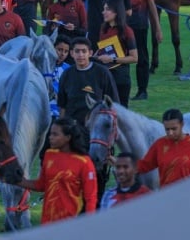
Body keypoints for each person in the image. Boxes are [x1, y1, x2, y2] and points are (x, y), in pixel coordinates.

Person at [15, 117, 98, 225]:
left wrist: (89, 224)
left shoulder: (84, 162)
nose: (50, 137)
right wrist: (15, 180)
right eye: (50, 134)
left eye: (55, 134)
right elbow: (41, 185)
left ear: (68, 137)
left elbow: (91, 198)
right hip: (47, 224)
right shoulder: (49, 155)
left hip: (70, 224)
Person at [120, 0, 163, 100]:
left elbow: (151, 5)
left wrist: (157, 28)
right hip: (125, 24)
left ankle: (142, 90)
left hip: (140, 24)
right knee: (122, 56)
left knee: (142, 58)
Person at [137, 108, 190, 188]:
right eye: (167, 129)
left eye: (174, 129)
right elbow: (144, 165)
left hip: (189, 194)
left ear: (182, 124)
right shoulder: (159, 144)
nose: (170, 133)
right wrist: (125, 168)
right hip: (167, 195)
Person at [58, 37, 120, 127]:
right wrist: (62, 127)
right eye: (77, 51)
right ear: (71, 53)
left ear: (90, 53)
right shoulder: (67, 74)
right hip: (72, 126)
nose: (80, 55)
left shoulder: (102, 73)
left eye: (84, 51)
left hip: (95, 126)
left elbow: (113, 103)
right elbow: (62, 105)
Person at [94, 0, 138, 107]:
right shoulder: (103, 28)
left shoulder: (127, 31)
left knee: (121, 111)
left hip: (121, 77)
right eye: (103, 9)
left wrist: (112, 59)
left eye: (107, 9)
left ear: (116, 12)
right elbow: (102, 49)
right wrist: (93, 55)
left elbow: (134, 58)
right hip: (105, 76)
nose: (103, 12)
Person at [40, 35, 72, 163]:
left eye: (65, 51)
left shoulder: (68, 69)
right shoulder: (42, 66)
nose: (62, 54)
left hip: (59, 114)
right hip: (44, 113)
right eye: (59, 49)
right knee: (44, 149)